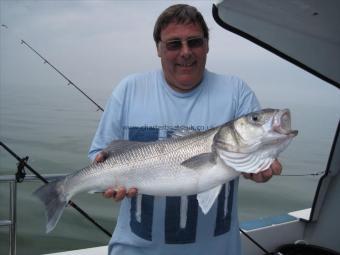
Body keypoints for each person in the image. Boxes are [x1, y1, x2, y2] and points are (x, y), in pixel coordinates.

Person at [89, 4, 282, 255]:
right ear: (158, 48)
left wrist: (262, 166)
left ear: (207, 45)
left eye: (194, 42)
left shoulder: (236, 92)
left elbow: (260, 146)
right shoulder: (128, 90)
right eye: (173, 44)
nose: (186, 52)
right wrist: (105, 176)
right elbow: (99, 155)